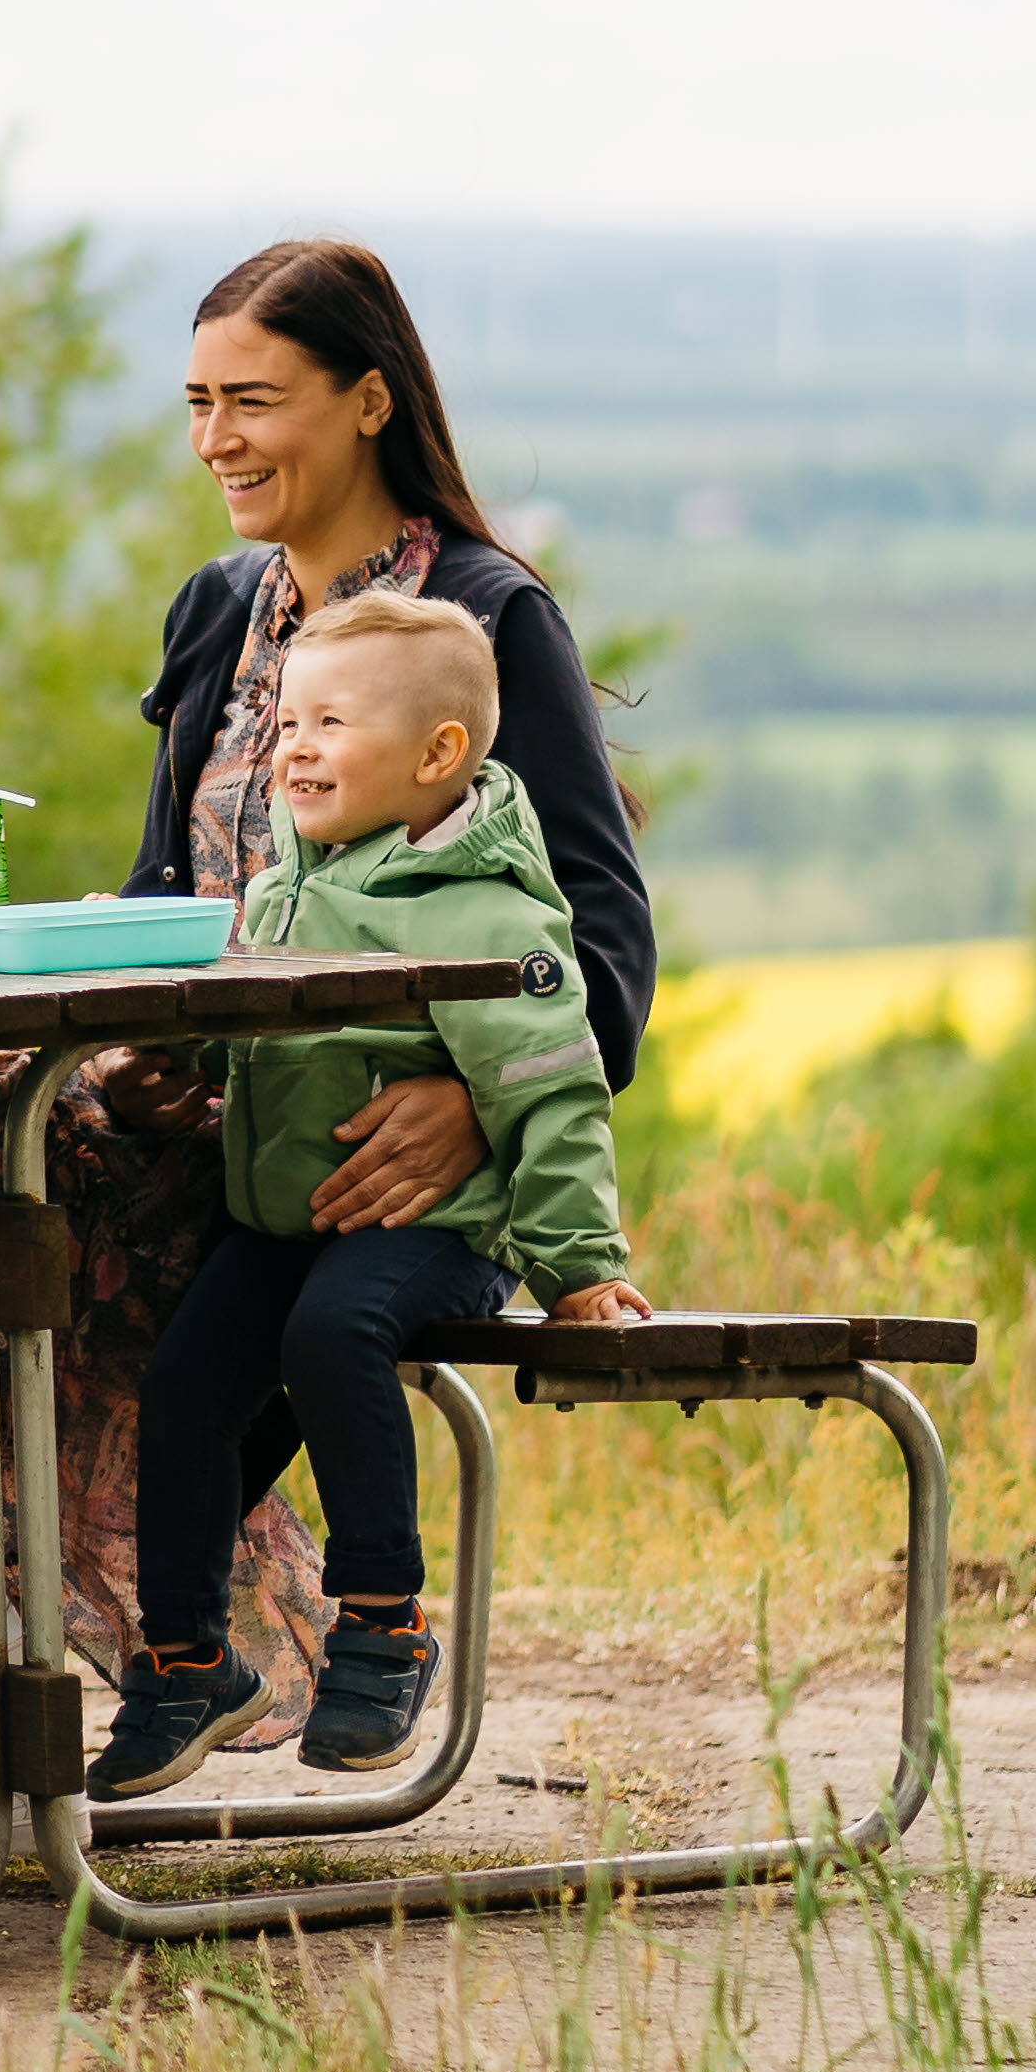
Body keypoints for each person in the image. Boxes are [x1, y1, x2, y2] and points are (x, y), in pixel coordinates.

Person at [0, 237, 656, 1862]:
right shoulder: (216, 611)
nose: (214, 437)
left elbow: (596, 940)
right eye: (194, 401)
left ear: (366, 399)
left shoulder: (478, 619)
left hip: (350, 1165)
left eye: (251, 399)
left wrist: (474, 1116)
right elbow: (164, 897)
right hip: (207, 1114)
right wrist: (117, 1041)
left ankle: (0, 1703)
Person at [89, 590, 649, 1800]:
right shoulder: (289, 882)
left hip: (434, 1226)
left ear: (436, 755)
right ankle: (186, 1658)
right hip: (287, 1214)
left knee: (331, 1335)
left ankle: (382, 1622)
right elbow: (258, 1025)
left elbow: (555, 1093)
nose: (290, 745)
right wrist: (177, 1065)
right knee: (185, 1381)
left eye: (328, 723)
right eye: (286, 721)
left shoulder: (490, 912)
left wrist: (578, 1267)